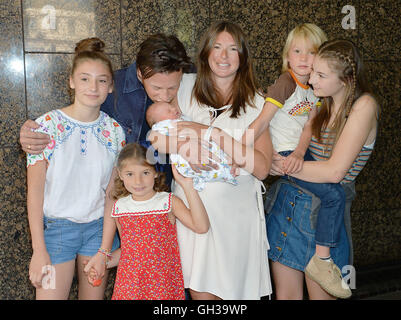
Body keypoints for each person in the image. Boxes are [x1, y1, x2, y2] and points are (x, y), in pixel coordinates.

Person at [148, 21, 273, 300]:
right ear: (205, 53)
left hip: (236, 219)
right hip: (195, 213)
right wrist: (184, 146)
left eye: (232, 49)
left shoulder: (256, 102)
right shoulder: (184, 88)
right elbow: (157, 138)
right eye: (216, 47)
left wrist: (211, 134)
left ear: (243, 57)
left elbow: (262, 168)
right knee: (201, 292)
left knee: (236, 295)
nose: (223, 56)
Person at [243, 24, 351, 298]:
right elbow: (262, 121)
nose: (303, 58)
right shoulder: (286, 83)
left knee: (335, 193)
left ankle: (324, 255)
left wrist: (301, 155)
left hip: (300, 156)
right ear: (287, 56)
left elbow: (308, 129)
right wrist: (239, 150)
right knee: (335, 195)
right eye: (297, 51)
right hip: (283, 157)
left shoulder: (316, 92)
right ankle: (323, 260)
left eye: (311, 52)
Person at [266, 39, 378, 299]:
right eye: (313, 70)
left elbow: (334, 172)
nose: (311, 78)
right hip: (290, 205)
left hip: (323, 220)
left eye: (321, 74)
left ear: (346, 79)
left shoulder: (363, 106)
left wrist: (281, 166)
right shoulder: (321, 103)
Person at [19, 33, 194, 186]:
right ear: (140, 73)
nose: (164, 95)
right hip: (123, 196)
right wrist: (35, 131)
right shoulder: (111, 86)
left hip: (170, 191)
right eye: (156, 87)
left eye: (172, 88)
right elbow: (75, 116)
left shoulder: (190, 83)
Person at [26, 38, 125, 299]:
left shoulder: (116, 132)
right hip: (57, 232)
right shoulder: (46, 125)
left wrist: (105, 250)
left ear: (111, 86)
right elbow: (34, 193)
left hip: (97, 231)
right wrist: (39, 250)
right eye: (84, 79)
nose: (93, 87)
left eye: (102, 80)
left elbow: (112, 195)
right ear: (71, 81)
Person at [84, 142, 209, 300]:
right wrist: (103, 263)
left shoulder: (168, 202)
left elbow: (202, 226)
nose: (138, 181)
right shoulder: (119, 208)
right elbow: (128, 251)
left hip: (163, 285)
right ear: (120, 175)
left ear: (155, 173)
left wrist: (188, 187)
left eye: (145, 173)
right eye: (130, 174)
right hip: (129, 285)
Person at [146, 101, 238, 191]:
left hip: (201, 145)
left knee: (212, 151)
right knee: (204, 161)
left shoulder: (182, 118)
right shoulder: (162, 127)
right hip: (187, 157)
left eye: (171, 107)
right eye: (169, 111)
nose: (174, 109)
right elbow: (154, 138)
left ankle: (226, 167)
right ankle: (225, 171)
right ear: (159, 121)